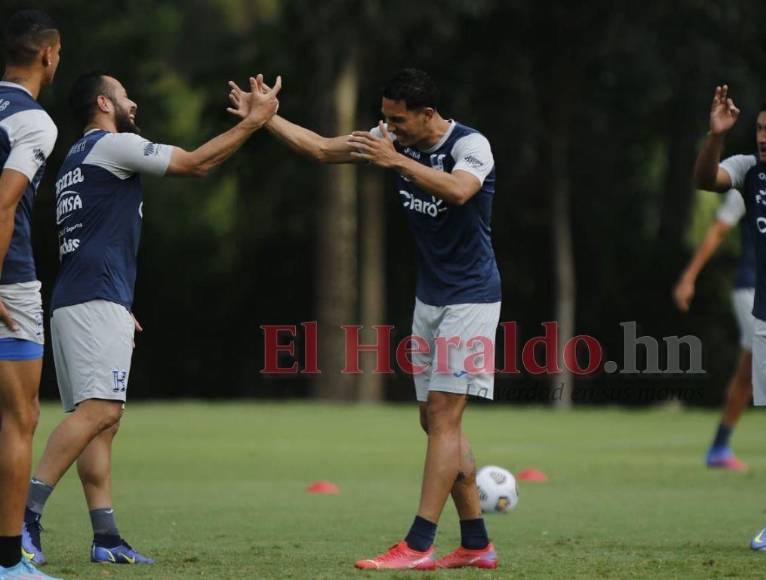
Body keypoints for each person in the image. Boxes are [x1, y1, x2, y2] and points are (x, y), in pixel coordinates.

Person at [229, 68, 500, 570]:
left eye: (398, 120)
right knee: (435, 421)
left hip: (472, 298)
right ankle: (477, 543)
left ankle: (418, 546)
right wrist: (267, 119)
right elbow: (320, 150)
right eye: (385, 119)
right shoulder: (390, 139)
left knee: (443, 417)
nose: (388, 127)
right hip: (431, 298)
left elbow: (461, 191)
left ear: (427, 114)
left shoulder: (470, 144)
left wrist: (394, 159)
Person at [21, 72, 280, 566]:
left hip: (80, 299)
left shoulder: (73, 159)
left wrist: (119, 303)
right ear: (103, 102)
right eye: (124, 95)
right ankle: (24, 518)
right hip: (94, 301)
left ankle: (106, 537)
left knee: (98, 422)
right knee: (101, 413)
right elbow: (196, 164)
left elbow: (94, 235)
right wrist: (254, 123)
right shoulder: (112, 146)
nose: (133, 102)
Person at [693, 84, 766, 550]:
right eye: (761, 129)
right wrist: (717, 137)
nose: (764, 138)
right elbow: (705, 179)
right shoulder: (749, 171)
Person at [0, 10, 63, 580]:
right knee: (19, 418)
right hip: (8, 281)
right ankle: (7, 564)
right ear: (49, 54)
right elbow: (2, 202)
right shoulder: (34, 122)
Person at [673, 188, 753, 470]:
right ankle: (719, 447)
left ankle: (719, 447)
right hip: (754, 290)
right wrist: (689, 276)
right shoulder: (748, 180)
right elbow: (719, 229)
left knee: (748, 371)